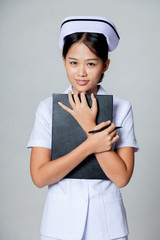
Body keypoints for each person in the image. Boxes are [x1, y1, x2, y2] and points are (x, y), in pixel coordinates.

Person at [27, 16, 139, 240]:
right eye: (73, 62)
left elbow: (121, 177)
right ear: (64, 61)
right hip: (59, 226)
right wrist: (91, 145)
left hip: (108, 228)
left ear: (105, 64)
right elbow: (40, 177)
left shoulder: (121, 108)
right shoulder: (47, 108)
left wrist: (90, 125)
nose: (81, 73)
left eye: (91, 63)